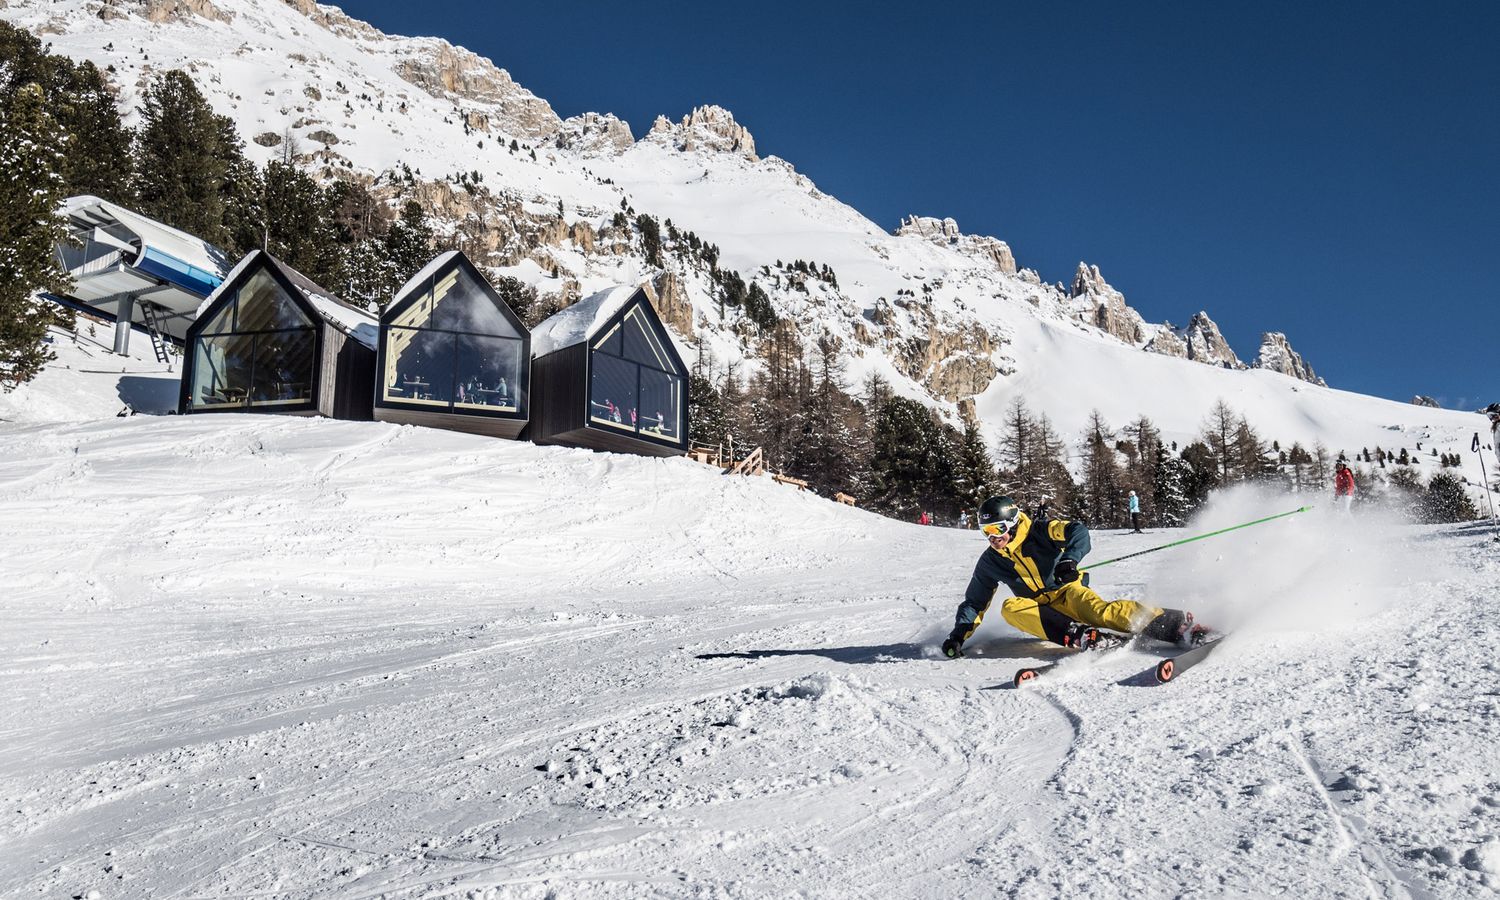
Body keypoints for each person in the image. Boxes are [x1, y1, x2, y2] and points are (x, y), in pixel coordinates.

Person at [940, 495, 1197, 658]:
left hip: (1067, 591)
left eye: (997, 529)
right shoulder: (991, 560)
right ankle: (1077, 635)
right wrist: (958, 635)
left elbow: (1078, 531)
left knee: (1102, 612)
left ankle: (1177, 625)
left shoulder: (1040, 531)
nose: (993, 538)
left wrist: (1069, 560)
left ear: (1013, 522)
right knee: (1010, 607)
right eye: (986, 532)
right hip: (1040, 610)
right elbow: (975, 602)